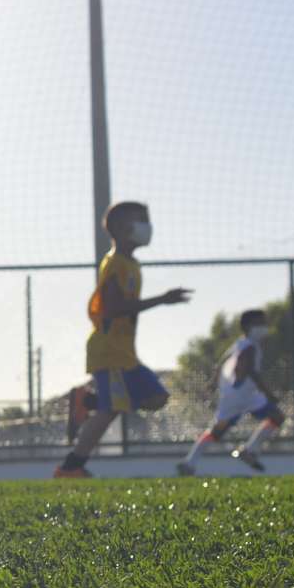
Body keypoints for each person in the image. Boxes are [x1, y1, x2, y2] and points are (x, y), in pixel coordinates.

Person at [55, 199, 190, 479]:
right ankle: (71, 467)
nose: (147, 227)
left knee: (156, 397)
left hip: (123, 352)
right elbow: (115, 308)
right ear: (119, 228)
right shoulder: (115, 264)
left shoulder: (131, 264)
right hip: (108, 351)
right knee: (110, 410)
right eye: (140, 220)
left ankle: (87, 402)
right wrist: (162, 300)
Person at [176, 308, 284, 475]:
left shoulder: (241, 343)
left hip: (242, 394)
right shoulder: (250, 347)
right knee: (218, 431)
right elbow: (250, 371)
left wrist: (213, 382)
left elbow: (222, 362)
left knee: (275, 417)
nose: (264, 327)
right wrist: (268, 393)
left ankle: (191, 462)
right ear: (248, 326)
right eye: (260, 323)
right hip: (240, 395)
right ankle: (191, 462)